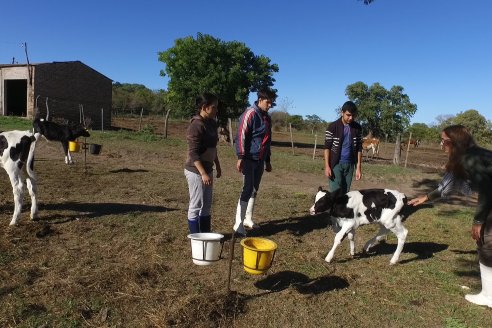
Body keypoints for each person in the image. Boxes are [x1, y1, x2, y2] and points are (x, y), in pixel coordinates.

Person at [409, 125, 492, 308]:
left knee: (485, 243)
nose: (441, 144)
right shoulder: (469, 155)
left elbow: (487, 190)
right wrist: (426, 197)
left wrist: (479, 221)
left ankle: (488, 296)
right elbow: (448, 184)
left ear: (454, 142)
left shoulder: (470, 159)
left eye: (444, 141)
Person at [233, 88, 277, 235]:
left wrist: (268, 160)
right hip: (249, 158)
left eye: (272, 103)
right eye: (268, 102)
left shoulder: (267, 118)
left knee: (254, 189)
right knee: (247, 188)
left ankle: (248, 219)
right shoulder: (250, 113)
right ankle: (238, 224)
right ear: (260, 100)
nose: (270, 105)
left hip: (260, 159)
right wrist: (241, 156)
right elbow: (241, 135)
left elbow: (267, 140)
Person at [184, 93, 221, 234]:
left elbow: (213, 148)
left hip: (207, 170)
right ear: (205, 107)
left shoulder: (212, 123)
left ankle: (205, 235)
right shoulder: (196, 125)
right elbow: (193, 153)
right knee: (196, 204)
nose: (216, 110)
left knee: (206, 205)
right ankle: (195, 238)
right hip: (195, 171)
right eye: (214, 107)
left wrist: (217, 165)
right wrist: (203, 173)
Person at [324, 101, 363, 194]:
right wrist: (327, 166)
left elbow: (359, 149)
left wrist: (358, 168)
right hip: (336, 164)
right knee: (335, 193)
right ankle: (332, 208)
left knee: (345, 194)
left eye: (353, 115)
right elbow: (327, 148)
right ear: (342, 113)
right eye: (348, 115)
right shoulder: (332, 127)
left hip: (349, 165)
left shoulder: (357, 128)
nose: (351, 118)